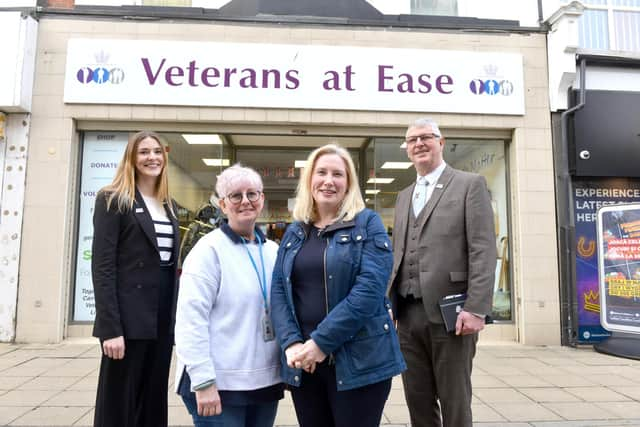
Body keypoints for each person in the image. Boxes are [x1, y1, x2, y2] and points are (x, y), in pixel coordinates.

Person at [271, 144, 406, 427]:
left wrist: (321, 343)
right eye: (321, 172)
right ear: (310, 180)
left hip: (359, 363)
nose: (329, 180)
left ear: (349, 184)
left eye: (338, 174)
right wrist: (292, 343)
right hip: (306, 363)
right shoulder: (296, 230)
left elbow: (369, 292)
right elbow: (279, 290)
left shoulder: (368, 223)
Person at [387, 118, 496, 427]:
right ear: (407, 149)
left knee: (454, 399)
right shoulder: (403, 195)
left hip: (453, 314)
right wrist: (391, 303)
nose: (419, 143)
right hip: (408, 315)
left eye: (426, 137)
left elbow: (483, 250)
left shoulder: (468, 184)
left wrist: (476, 308)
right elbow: (400, 253)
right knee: (417, 399)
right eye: (412, 140)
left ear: (441, 141)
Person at [174, 164, 283, 427]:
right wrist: (203, 381)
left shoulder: (273, 251)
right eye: (235, 195)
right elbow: (190, 320)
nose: (245, 201)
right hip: (218, 384)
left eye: (252, 194)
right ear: (223, 205)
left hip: (265, 381)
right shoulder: (208, 251)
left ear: (262, 199)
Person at [91, 130, 179, 427]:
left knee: (153, 403)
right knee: (119, 407)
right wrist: (110, 328)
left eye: (157, 151)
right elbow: (103, 268)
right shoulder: (112, 199)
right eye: (144, 152)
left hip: (161, 321)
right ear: (131, 157)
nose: (152, 157)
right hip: (127, 324)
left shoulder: (170, 205)